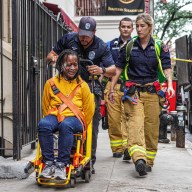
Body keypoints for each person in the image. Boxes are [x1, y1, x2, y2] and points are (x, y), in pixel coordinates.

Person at [47, 16, 116, 173]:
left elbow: (113, 69)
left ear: (94, 32)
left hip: (91, 88)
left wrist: (101, 70)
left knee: (91, 125)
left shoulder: (101, 46)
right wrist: (54, 58)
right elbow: (50, 55)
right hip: (67, 89)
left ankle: (88, 161)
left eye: (87, 35)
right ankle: (69, 157)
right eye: (81, 34)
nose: (83, 38)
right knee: (67, 121)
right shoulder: (68, 39)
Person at [110, 13, 175, 176]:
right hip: (134, 94)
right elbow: (118, 69)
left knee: (151, 129)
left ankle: (149, 161)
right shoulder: (129, 46)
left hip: (153, 93)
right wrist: (111, 88)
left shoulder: (160, 46)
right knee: (135, 126)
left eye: (142, 26)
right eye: (137, 26)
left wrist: (169, 84)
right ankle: (139, 158)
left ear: (150, 27)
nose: (138, 29)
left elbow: (167, 67)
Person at [38, 49, 95, 180]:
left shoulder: (83, 86)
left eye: (75, 64)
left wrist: (83, 125)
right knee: (44, 124)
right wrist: (53, 119)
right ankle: (49, 163)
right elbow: (45, 106)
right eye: (68, 64)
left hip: (75, 119)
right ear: (61, 65)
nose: (72, 68)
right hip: (55, 116)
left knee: (66, 125)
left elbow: (89, 110)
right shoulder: (51, 83)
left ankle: (62, 165)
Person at [105, 17, 133, 159]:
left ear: (132, 29)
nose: (126, 29)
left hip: (130, 87)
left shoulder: (137, 45)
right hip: (113, 85)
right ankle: (117, 148)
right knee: (114, 120)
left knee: (129, 118)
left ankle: (128, 148)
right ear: (119, 28)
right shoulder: (110, 45)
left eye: (128, 27)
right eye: (123, 26)